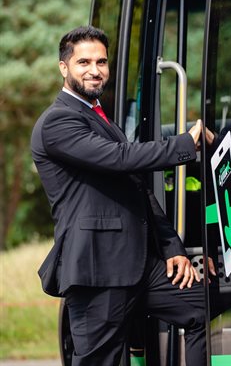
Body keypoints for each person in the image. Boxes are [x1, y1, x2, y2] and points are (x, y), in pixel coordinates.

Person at [31, 26, 213, 365]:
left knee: (202, 310)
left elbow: (137, 188)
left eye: (101, 61)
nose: (94, 70)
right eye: (83, 62)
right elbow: (121, 158)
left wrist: (172, 248)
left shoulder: (99, 117)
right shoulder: (57, 122)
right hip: (97, 269)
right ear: (63, 67)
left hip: (141, 264)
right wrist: (186, 143)